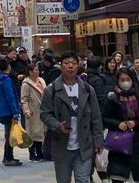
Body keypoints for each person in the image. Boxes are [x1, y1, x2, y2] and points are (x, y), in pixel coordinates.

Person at [40, 50, 104, 183]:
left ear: (78, 65)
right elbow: (45, 114)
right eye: (66, 63)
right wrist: (57, 125)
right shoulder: (51, 90)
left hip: (84, 145)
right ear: (61, 65)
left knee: (83, 179)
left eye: (73, 63)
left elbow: (96, 117)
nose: (70, 66)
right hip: (61, 146)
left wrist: (98, 140)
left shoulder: (87, 89)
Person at [102, 67, 139, 183]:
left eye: (128, 79)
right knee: (118, 176)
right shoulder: (112, 98)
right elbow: (104, 118)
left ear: (132, 80)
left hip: (138, 142)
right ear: (117, 81)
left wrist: (135, 122)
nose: (125, 82)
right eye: (122, 80)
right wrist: (117, 124)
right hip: (119, 142)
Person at [0, 58, 23, 167]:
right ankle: (8, 157)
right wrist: (16, 111)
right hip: (9, 111)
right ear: (8, 67)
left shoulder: (0, 79)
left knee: (9, 134)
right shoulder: (7, 80)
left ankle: (7, 156)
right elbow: (10, 96)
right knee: (10, 135)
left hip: (4, 110)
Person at [21, 62, 46, 161]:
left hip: (43, 110)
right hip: (33, 111)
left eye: (38, 70)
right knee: (32, 133)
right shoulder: (26, 84)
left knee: (41, 132)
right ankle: (32, 154)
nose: (38, 71)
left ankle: (40, 152)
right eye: (36, 70)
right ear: (30, 72)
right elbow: (24, 99)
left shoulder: (41, 81)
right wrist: (26, 110)